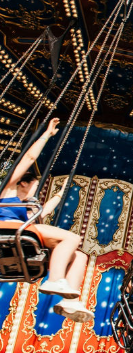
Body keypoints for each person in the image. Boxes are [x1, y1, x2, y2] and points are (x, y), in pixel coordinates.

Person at [0, 118, 92, 322]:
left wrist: (60, 193)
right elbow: (30, 157)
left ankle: (69, 301)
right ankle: (55, 279)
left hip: (24, 231)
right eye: (34, 185)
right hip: (11, 229)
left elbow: (46, 209)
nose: (36, 189)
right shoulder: (9, 189)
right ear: (24, 182)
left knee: (80, 256)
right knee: (72, 238)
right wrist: (47, 135)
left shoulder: (27, 204)